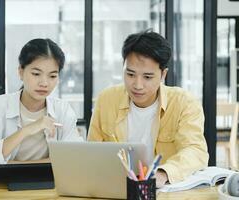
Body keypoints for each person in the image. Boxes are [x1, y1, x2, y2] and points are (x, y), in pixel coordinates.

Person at [88, 30, 209, 187]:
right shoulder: (107, 99)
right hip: (115, 188)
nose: (137, 85)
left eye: (147, 77)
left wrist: (163, 173)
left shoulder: (184, 103)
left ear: (163, 74)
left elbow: (195, 151)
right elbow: (91, 151)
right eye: (130, 74)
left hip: (163, 191)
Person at [0, 38, 83, 172]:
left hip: (51, 186)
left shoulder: (62, 110)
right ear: (21, 72)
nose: (44, 83)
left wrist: (10, 165)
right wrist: (26, 130)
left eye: (52, 76)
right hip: (1, 186)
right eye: (36, 74)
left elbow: (74, 158)